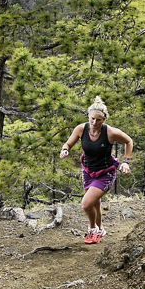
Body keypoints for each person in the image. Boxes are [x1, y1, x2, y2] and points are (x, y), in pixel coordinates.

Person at [59, 96, 133, 244]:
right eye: (92, 119)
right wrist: (65, 150)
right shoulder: (81, 129)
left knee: (86, 204)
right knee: (95, 204)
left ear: (104, 119)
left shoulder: (110, 132)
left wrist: (126, 161)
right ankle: (101, 229)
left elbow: (128, 141)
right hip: (88, 171)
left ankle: (92, 229)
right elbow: (68, 144)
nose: (94, 122)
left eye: (98, 120)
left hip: (105, 173)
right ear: (89, 117)